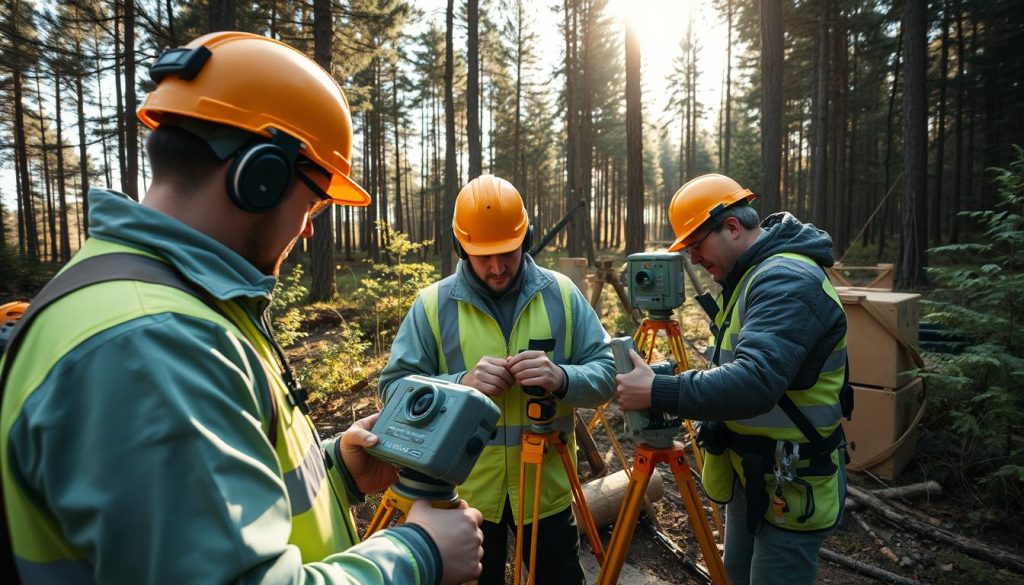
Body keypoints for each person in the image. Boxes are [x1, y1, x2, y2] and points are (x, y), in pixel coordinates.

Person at [0, 32, 483, 585]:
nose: (306, 226)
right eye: (315, 199)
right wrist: (418, 553)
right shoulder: (154, 342)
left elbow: (209, 505)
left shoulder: (161, 300)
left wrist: (336, 472)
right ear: (260, 175)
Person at [378, 175, 615, 584]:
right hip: (462, 498)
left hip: (547, 493)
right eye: (482, 256)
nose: (497, 266)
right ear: (460, 247)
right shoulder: (432, 306)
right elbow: (393, 391)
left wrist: (562, 377)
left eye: (508, 252)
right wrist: (459, 384)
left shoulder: (563, 294)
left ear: (526, 238)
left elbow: (607, 374)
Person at [616, 173, 851, 585]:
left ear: (732, 226)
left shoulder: (785, 280)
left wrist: (658, 389)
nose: (693, 258)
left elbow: (755, 380)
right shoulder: (751, 276)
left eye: (696, 244)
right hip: (755, 473)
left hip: (792, 482)